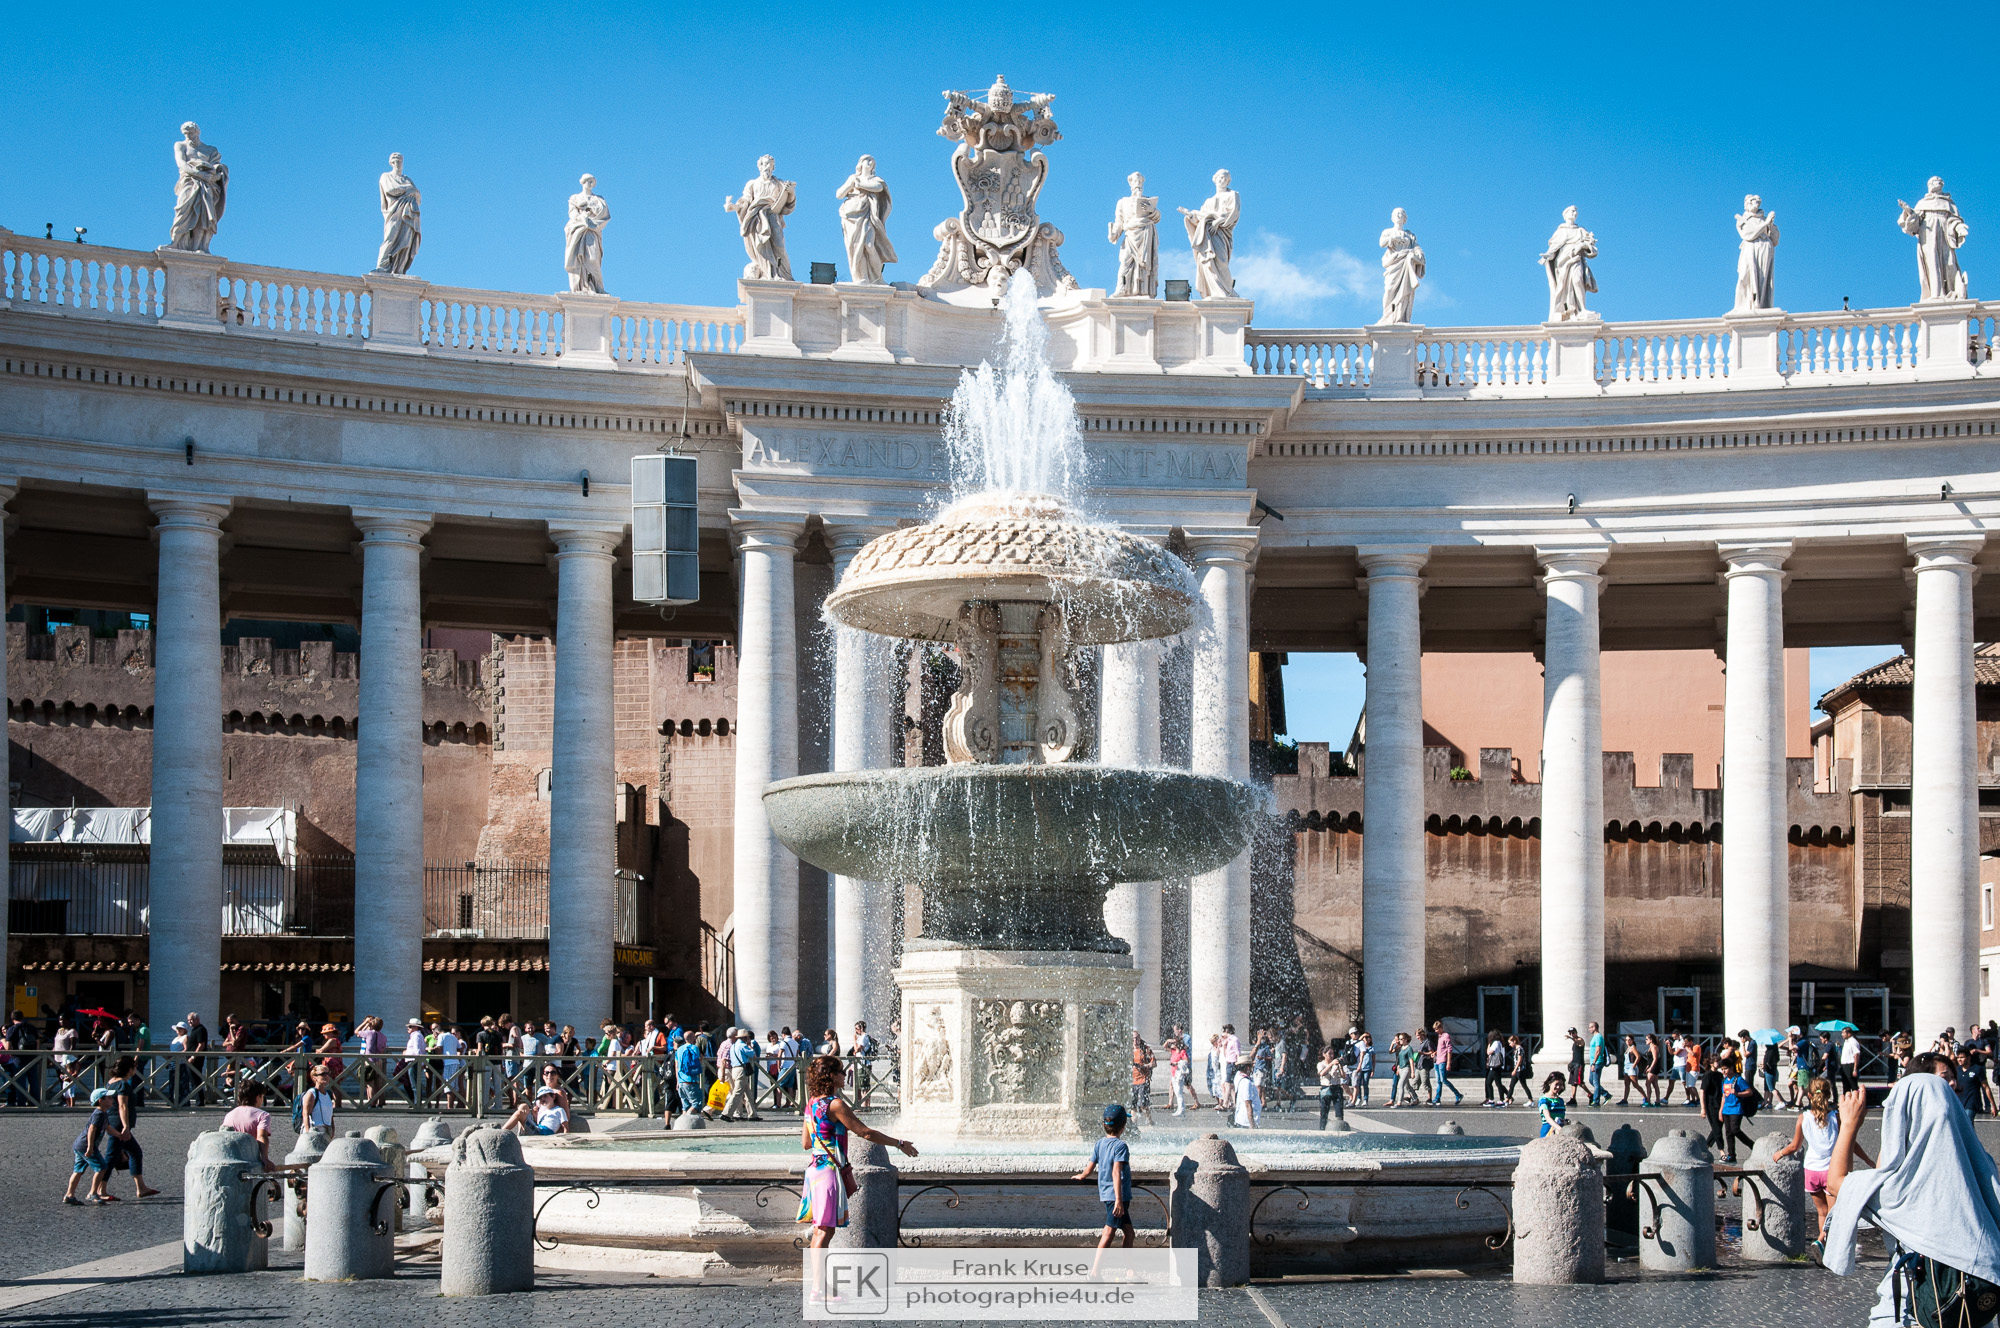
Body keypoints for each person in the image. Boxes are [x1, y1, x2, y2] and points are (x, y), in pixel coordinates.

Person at [1823, 1074, 2000, 1322]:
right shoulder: (1982, 1169)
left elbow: (1836, 1183)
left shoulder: (1902, 1190)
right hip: (1974, 1313)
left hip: (1912, 1313)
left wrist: (1849, 1125)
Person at [798, 1055, 916, 1262]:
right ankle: (818, 1282)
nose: (845, 1075)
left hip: (814, 1170)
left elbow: (806, 1143)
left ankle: (819, 1280)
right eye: (841, 1071)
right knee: (824, 1232)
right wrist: (899, 1143)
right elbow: (865, 1133)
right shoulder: (835, 1105)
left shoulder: (812, 1104)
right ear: (831, 1076)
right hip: (829, 1172)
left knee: (820, 1230)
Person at [1774, 1076, 1872, 1244]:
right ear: (1829, 1095)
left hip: (1811, 1171)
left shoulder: (1803, 1118)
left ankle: (1823, 1245)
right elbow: (1852, 1144)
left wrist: (1780, 1153)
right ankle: (1824, 1240)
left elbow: (1795, 1146)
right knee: (1834, 1213)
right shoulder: (1836, 1118)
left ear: (1809, 1095)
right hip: (1831, 1171)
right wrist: (1868, 1160)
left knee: (1822, 1212)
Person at [1073, 1103, 1135, 1252]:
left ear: (1104, 1124)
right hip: (1117, 1197)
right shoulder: (1121, 1146)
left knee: (1129, 1233)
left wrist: (1082, 1175)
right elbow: (1116, 1172)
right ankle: (1095, 1267)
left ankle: (1129, 1266)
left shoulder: (1099, 1144)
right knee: (1108, 1233)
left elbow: (1089, 1168)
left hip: (1108, 1194)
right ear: (1123, 1126)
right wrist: (1119, 1200)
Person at [222, 1082, 274, 1170]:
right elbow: (261, 1136)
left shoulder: (229, 1115)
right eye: (262, 1096)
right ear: (258, 1097)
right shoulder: (263, 1115)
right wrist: (265, 1158)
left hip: (230, 1159)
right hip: (250, 1160)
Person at [1717, 1057, 1751, 1163]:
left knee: (1735, 1130)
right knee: (1728, 1133)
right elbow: (1723, 1096)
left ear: (1731, 1068)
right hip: (1726, 1109)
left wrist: (1737, 1093)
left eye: (1726, 1069)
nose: (1724, 1071)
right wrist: (1720, 1111)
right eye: (1722, 1069)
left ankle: (1751, 1145)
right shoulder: (1724, 1080)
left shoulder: (1738, 1079)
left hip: (1736, 1108)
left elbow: (1749, 1092)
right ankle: (1731, 1155)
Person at [504, 1085, 569, 1136]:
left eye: (545, 1096)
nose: (542, 1099)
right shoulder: (543, 1111)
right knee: (523, 1106)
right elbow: (537, 1124)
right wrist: (535, 1116)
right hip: (538, 1129)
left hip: (544, 1133)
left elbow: (565, 1127)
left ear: (553, 1097)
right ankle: (520, 1133)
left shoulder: (559, 1110)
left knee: (519, 1114)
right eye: (540, 1098)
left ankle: (501, 1131)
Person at [673, 1031, 704, 1120]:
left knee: (685, 1105)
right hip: (691, 1080)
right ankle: (688, 1116)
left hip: (681, 1081)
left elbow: (676, 1066)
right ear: (693, 1038)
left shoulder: (679, 1049)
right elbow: (698, 1062)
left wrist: (677, 1081)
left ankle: (683, 1123)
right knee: (696, 1102)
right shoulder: (694, 1048)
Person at [1431, 1021, 1463, 1106]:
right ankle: (1437, 1098)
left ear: (1441, 1028)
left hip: (1443, 1061)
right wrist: (1435, 1053)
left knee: (1443, 1080)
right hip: (1437, 1061)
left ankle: (1457, 1094)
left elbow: (1449, 1050)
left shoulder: (1446, 1036)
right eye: (1435, 1029)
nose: (1436, 1031)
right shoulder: (1440, 1036)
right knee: (1438, 1081)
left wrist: (1448, 1062)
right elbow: (1442, 1049)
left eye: (1437, 1029)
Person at [1317, 1043, 1347, 1129]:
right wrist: (1331, 1064)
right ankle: (1322, 1129)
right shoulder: (1321, 1064)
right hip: (1326, 1088)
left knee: (1339, 1111)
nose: (1331, 1056)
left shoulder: (1336, 1064)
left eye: (1332, 1054)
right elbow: (1322, 1073)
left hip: (1336, 1087)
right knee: (1324, 1112)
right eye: (1329, 1053)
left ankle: (1340, 1128)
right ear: (1324, 1054)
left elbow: (1343, 1076)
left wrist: (1340, 1066)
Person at [1130, 1033, 1156, 1126]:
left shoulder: (1145, 1049)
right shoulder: (1129, 1050)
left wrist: (1145, 1066)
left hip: (1143, 1080)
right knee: (1133, 1105)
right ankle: (1133, 1123)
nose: (1135, 1041)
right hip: (1132, 1081)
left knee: (1143, 1104)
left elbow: (1154, 1063)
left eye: (1137, 1038)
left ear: (1140, 1038)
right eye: (1133, 1039)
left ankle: (1149, 1121)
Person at [1584, 1021, 1610, 1107]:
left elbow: (1598, 1051)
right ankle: (1606, 1094)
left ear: (1594, 1027)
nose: (1589, 1029)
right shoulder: (1595, 1037)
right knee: (1591, 1080)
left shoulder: (1598, 1037)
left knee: (1595, 1082)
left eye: (1590, 1027)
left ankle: (1596, 1101)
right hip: (1594, 1062)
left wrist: (1594, 1063)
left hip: (1597, 1062)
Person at [1537, 1073, 1569, 1137]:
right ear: (1549, 1083)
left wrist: (1565, 1122)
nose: (1558, 1087)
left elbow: (1561, 1117)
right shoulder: (1544, 1100)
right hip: (1548, 1130)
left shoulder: (1560, 1100)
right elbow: (1548, 1118)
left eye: (1561, 1085)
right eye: (1556, 1084)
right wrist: (1560, 1129)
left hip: (1560, 1130)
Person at [1505, 1034, 1533, 1106]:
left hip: (1520, 1070)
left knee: (1524, 1085)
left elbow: (1519, 1061)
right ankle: (1507, 1099)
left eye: (1510, 1043)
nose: (1509, 1044)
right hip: (1517, 1070)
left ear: (1514, 1041)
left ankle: (1531, 1100)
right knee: (1511, 1085)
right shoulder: (1516, 1049)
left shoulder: (1520, 1049)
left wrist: (1514, 1069)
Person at [1482, 1031, 1507, 1106]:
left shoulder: (1496, 1043)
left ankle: (1500, 1100)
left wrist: (1489, 1045)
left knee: (1496, 1083)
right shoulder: (1499, 1042)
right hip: (1495, 1066)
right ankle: (1492, 1099)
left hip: (1495, 1066)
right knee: (1490, 1082)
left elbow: (1489, 1052)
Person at [1839, 1027, 1862, 1094]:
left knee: (1853, 1084)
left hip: (1850, 1065)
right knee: (1845, 1084)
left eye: (1843, 1033)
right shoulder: (1846, 1042)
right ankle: (1847, 1097)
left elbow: (1856, 1055)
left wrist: (1855, 1069)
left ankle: (1856, 1097)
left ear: (1848, 1034)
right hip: (1844, 1065)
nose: (1842, 1034)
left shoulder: (1853, 1042)